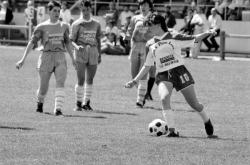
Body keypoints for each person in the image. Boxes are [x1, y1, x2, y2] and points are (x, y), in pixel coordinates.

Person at [125, 13, 217, 138]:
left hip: (179, 71)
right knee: (164, 98)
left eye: (149, 25)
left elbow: (194, 38)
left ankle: (207, 121)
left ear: (158, 24)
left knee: (194, 104)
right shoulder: (150, 44)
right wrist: (134, 81)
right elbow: (147, 65)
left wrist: (209, 32)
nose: (147, 28)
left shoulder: (174, 36)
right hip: (163, 75)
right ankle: (172, 131)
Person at [16, 0, 76, 116]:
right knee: (43, 88)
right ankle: (40, 103)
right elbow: (32, 43)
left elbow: (68, 43)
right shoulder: (41, 27)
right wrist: (22, 60)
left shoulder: (64, 26)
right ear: (49, 11)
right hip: (46, 57)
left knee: (60, 82)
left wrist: (73, 59)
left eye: (58, 11)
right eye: (54, 11)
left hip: (60, 57)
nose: (57, 13)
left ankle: (58, 110)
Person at [70, 0, 101, 111]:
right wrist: (77, 47)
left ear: (90, 9)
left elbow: (98, 39)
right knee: (81, 79)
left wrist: (99, 53)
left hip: (93, 52)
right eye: (83, 10)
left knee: (90, 79)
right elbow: (71, 40)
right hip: (80, 52)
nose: (85, 12)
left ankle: (86, 103)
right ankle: (78, 103)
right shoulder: (76, 24)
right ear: (81, 10)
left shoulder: (96, 24)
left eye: (87, 9)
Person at [125, 0, 154, 108]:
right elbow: (130, 30)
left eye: (145, 5)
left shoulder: (153, 18)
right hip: (135, 47)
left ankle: (140, 101)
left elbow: (157, 32)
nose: (143, 7)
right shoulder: (135, 18)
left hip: (147, 47)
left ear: (150, 7)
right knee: (134, 75)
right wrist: (126, 37)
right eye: (141, 5)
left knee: (143, 74)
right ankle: (142, 93)